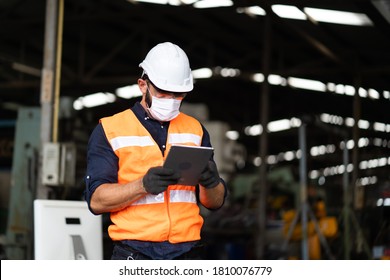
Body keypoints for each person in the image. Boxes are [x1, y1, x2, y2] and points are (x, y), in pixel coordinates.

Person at [84, 42, 227, 260]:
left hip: (188, 253)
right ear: (143, 85)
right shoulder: (110, 130)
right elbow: (96, 201)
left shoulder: (195, 130)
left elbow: (214, 202)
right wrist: (142, 186)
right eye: (163, 92)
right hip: (135, 253)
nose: (171, 100)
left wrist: (212, 183)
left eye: (178, 95)